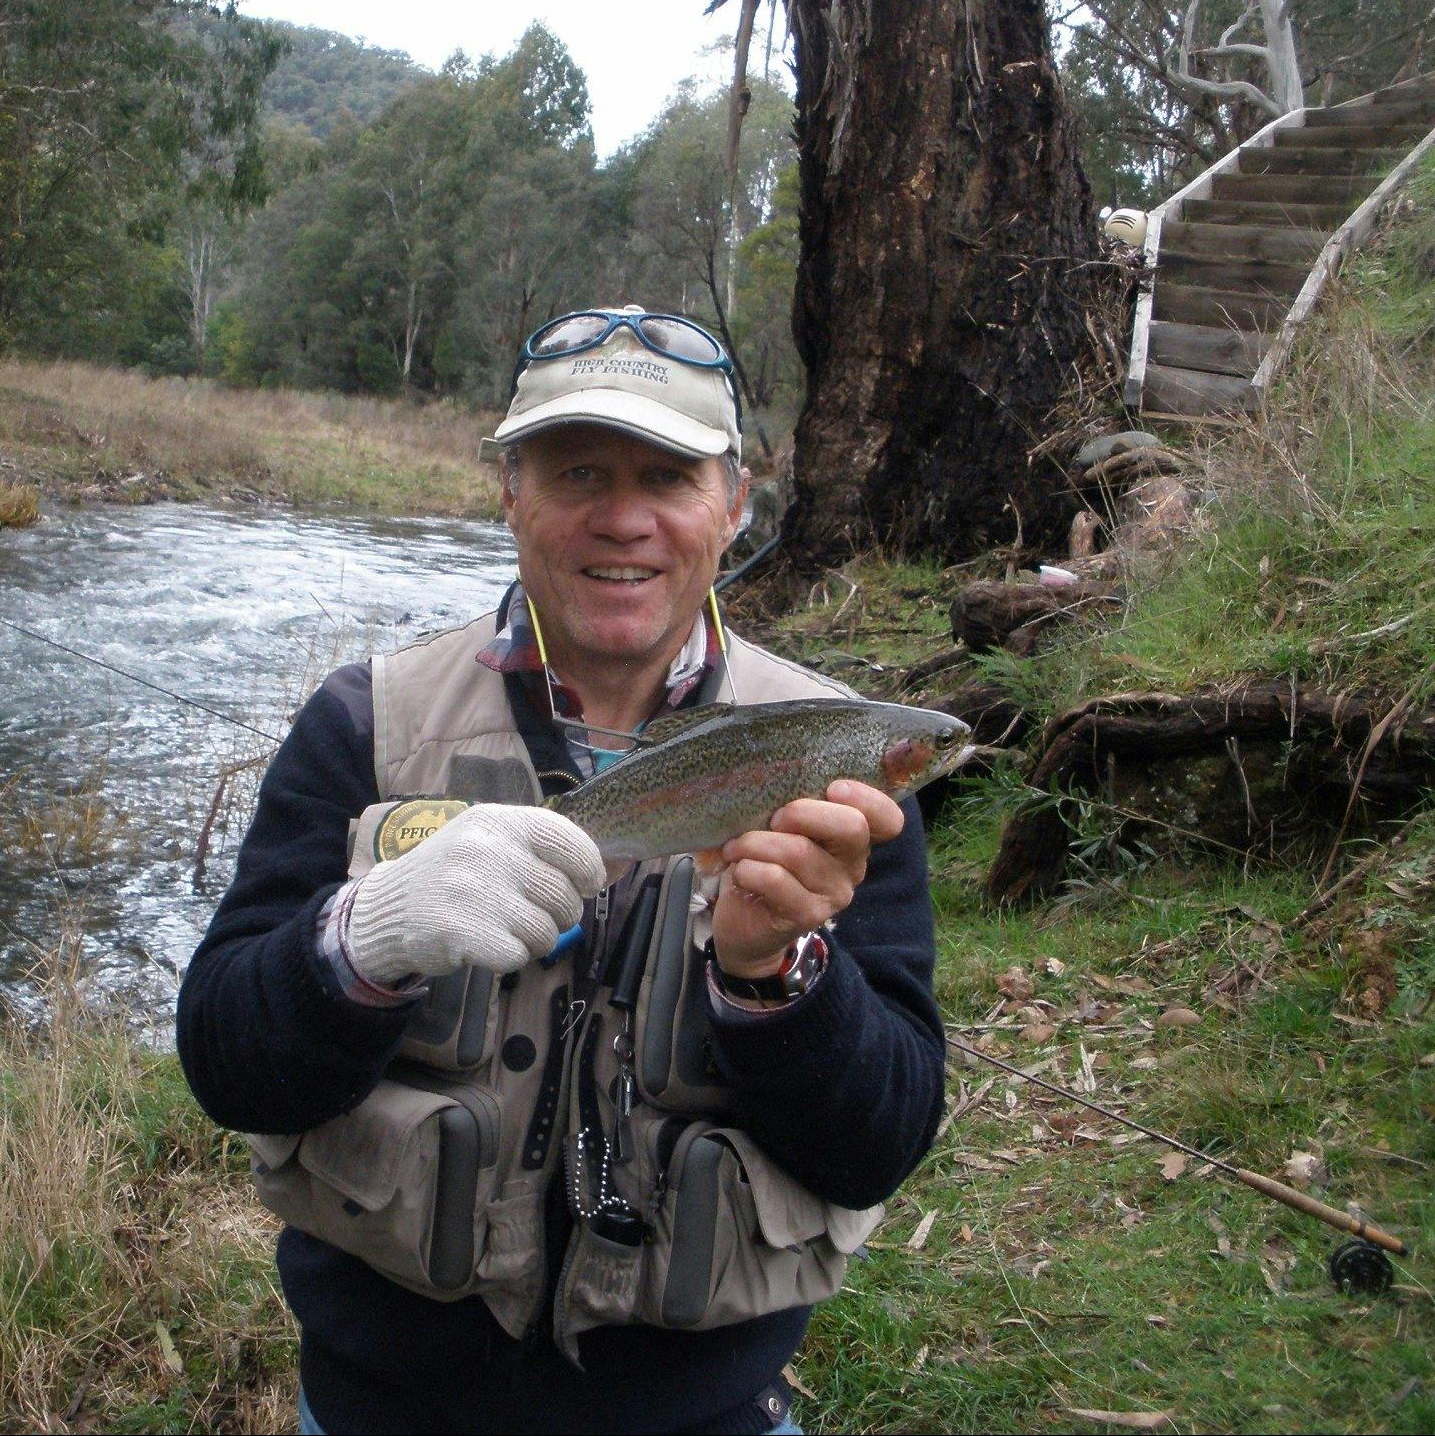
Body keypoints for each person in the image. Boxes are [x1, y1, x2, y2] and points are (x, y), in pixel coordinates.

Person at [177, 307, 945, 1435]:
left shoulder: (835, 770)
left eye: (668, 475)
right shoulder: (364, 725)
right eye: (577, 468)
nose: (622, 517)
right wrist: (367, 935)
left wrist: (773, 977)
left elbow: (879, 1141)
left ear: (733, 505)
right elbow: (226, 1065)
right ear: (509, 491)